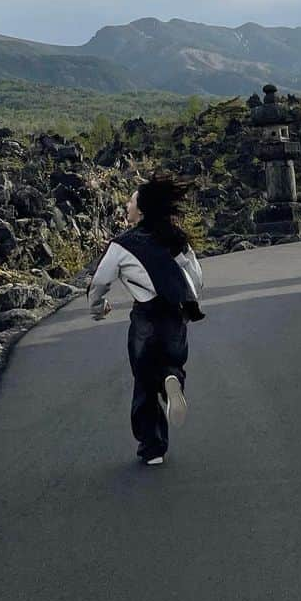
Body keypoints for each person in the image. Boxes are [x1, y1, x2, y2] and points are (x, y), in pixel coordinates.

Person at [87, 171, 205, 466]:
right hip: (175, 317)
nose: (126, 206)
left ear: (141, 210)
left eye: (130, 202)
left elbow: (99, 282)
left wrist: (97, 308)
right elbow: (195, 278)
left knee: (143, 381)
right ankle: (172, 379)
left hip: (146, 319)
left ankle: (153, 449)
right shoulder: (174, 238)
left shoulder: (122, 244)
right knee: (171, 364)